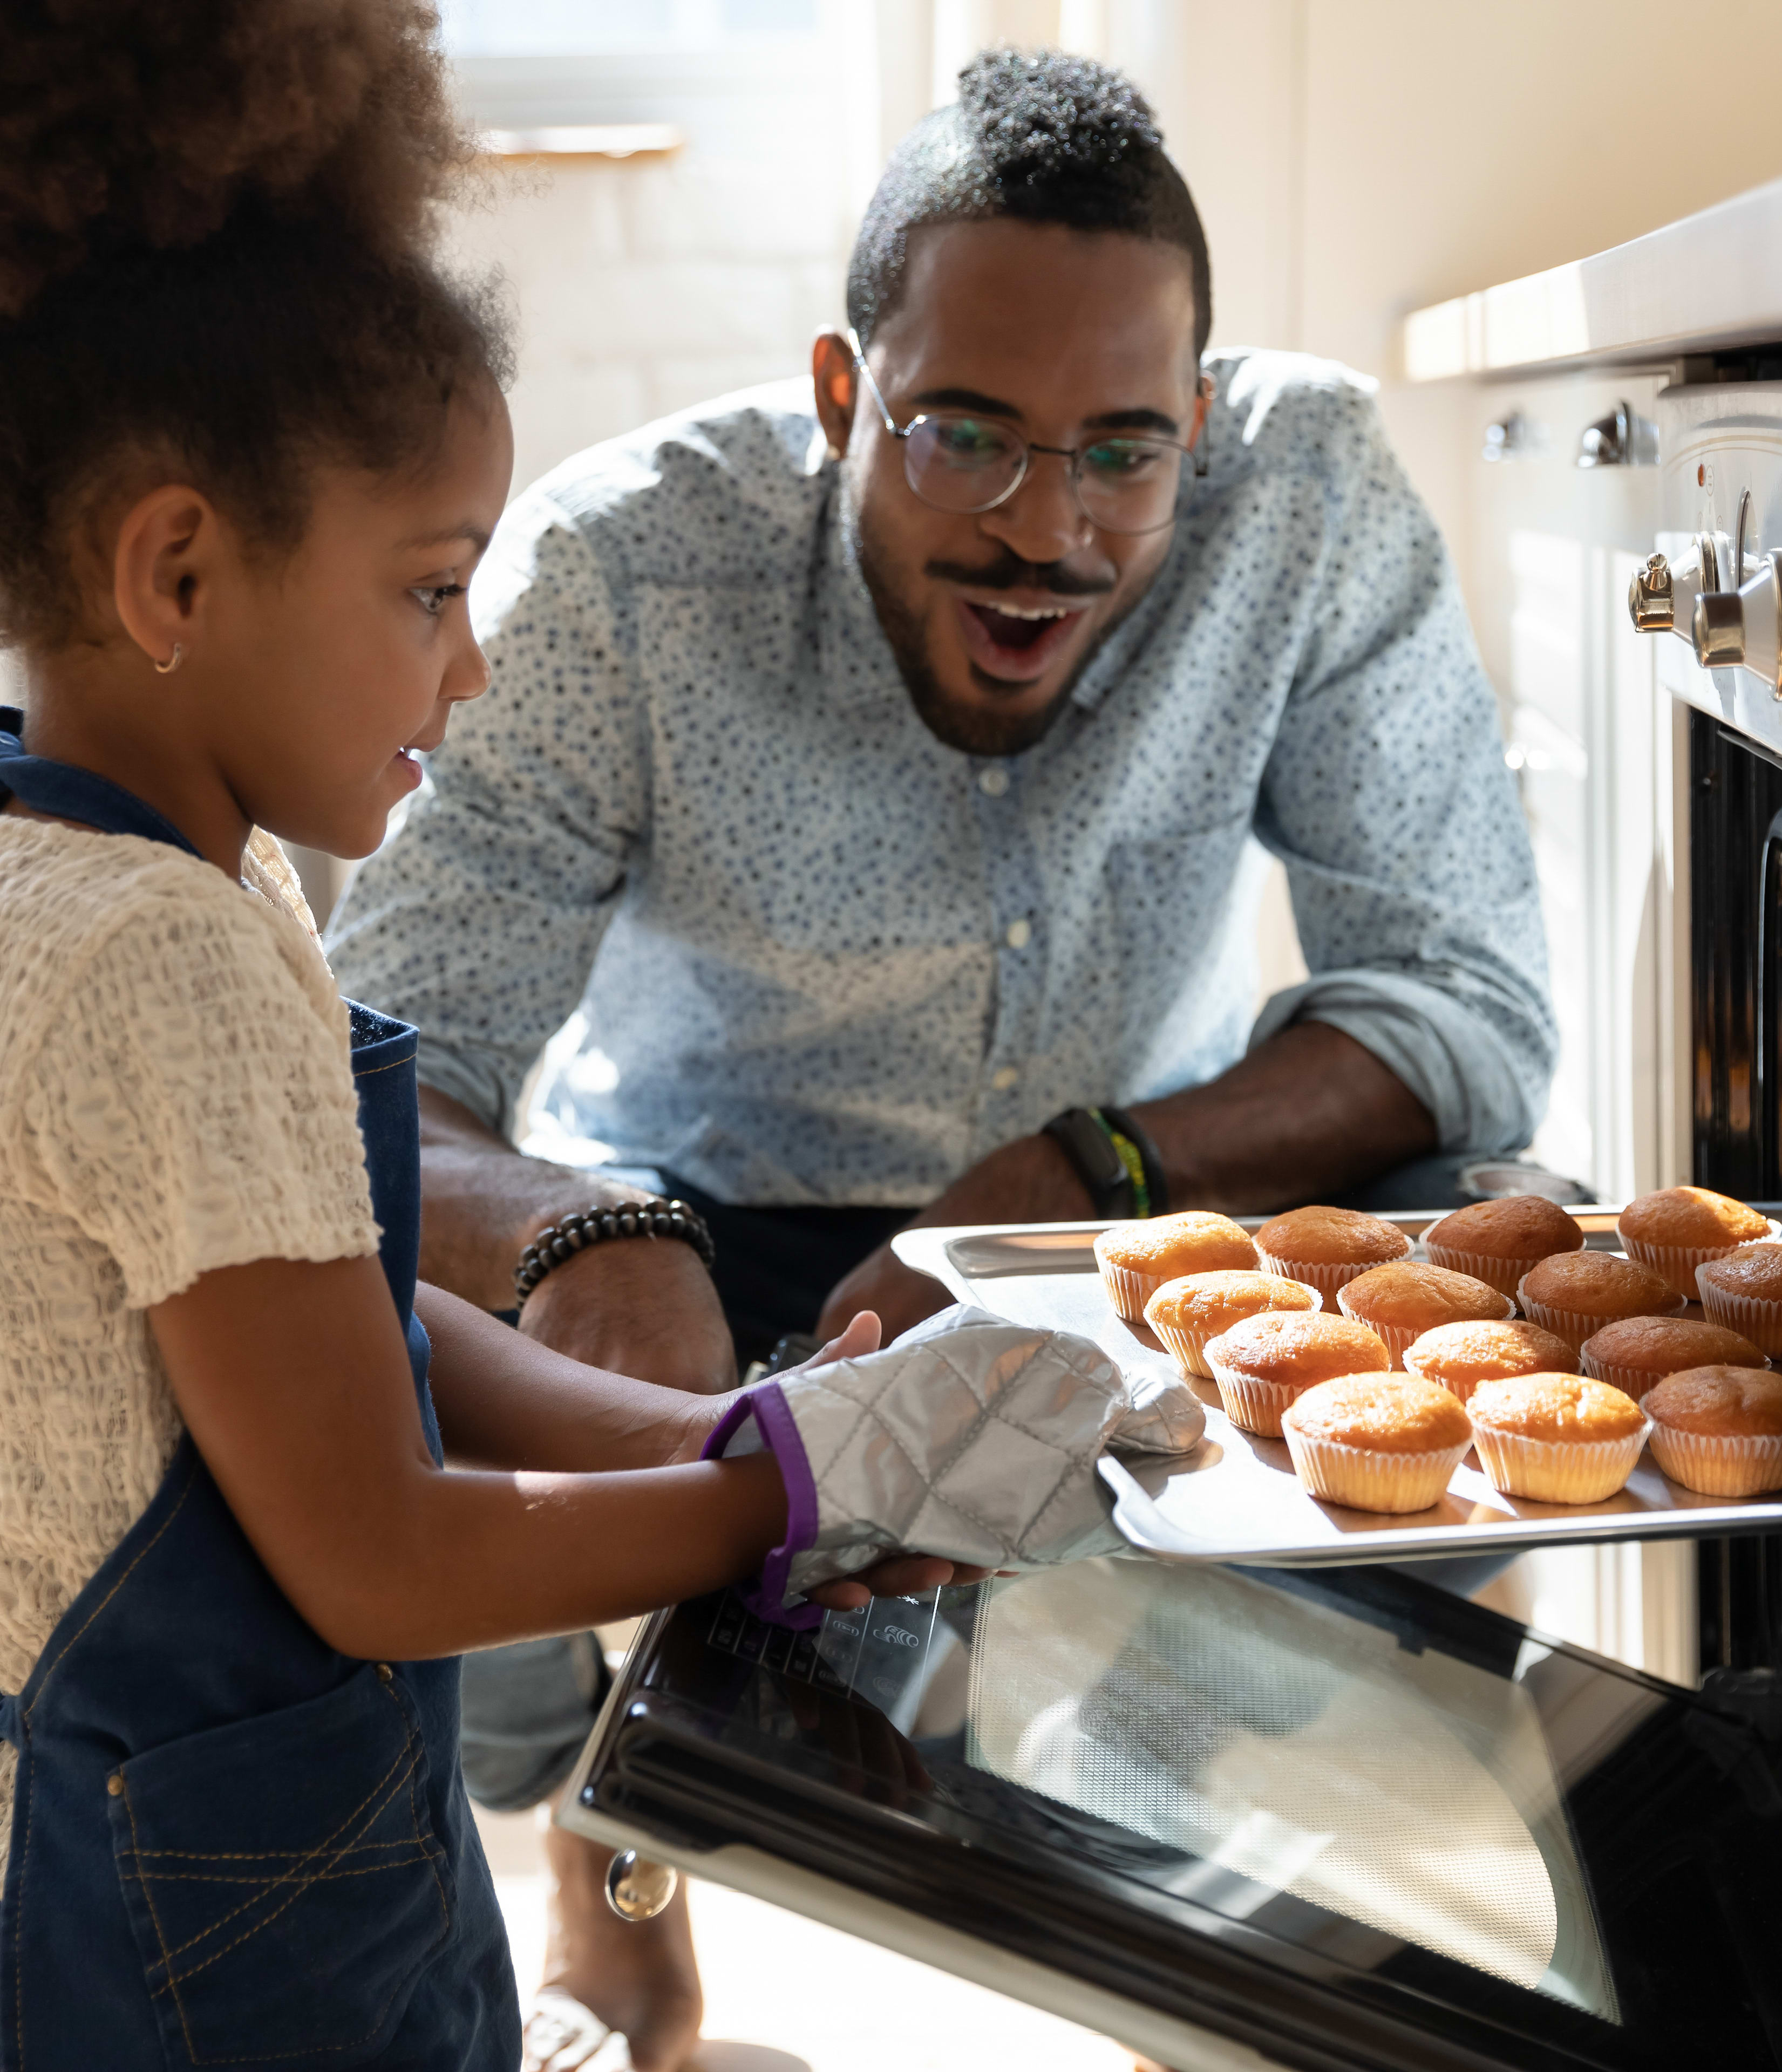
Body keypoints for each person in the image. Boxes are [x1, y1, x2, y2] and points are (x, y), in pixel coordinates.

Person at [327, 43, 1555, 2072]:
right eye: (965, 436)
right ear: (842, 400)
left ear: (1207, 425)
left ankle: (1210, 1852)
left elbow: (1462, 1005)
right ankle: (614, 1865)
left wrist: (1073, 1178)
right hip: (699, 1234)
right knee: (358, 1336)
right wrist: (579, 1228)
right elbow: (381, 1065)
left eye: (1124, 453)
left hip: (1128, 1216)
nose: (1044, 532)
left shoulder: (1307, 498)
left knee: (1496, 1229)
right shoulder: (617, 577)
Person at [0, 9, 1178, 2064]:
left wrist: (725, 1437)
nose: (469, 672)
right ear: (177, 566)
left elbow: (323, 1311)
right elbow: (372, 1546)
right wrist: (792, 1500)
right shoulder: (155, 960)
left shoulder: (143, 868)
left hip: (285, 1831)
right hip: (219, 1931)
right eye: (433, 590)